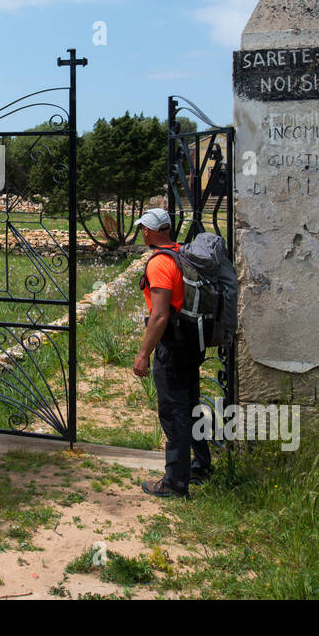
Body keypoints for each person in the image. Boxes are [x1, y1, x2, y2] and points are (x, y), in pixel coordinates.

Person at [131, 208, 212, 498]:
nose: (142, 232)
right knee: (191, 405)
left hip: (173, 346)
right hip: (192, 341)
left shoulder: (159, 263)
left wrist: (143, 354)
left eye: (144, 228)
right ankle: (201, 465)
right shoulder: (182, 254)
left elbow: (160, 315)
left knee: (173, 412)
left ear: (153, 231)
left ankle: (175, 484)